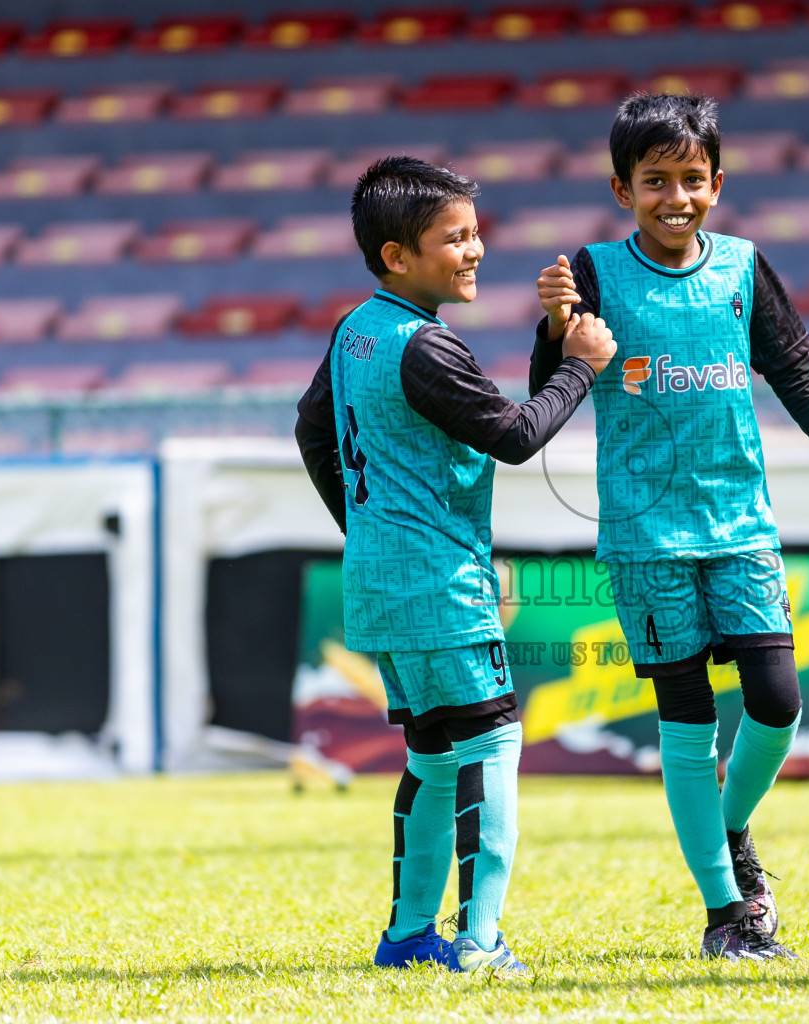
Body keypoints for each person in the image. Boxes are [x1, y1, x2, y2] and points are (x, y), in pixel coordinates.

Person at [530, 93, 809, 961]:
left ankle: (728, 831)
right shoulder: (592, 271)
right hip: (646, 542)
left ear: (718, 183)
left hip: (740, 527)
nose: (675, 197)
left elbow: (798, 377)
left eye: (692, 179)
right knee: (686, 726)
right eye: (655, 181)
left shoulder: (741, 268)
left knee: (778, 703)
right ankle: (728, 911)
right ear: (623, 189)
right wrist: (553, 323)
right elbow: (552, 378)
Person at [295, 156, 616, 975]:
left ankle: (407, 937)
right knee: (490, 746)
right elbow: (514, 437)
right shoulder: (426, 347)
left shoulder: (354, 328)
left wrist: (367, 527)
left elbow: (310, 429)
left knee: (433, 757)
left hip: (382, 579)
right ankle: (478, 941)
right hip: (441, 582)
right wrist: (581, 363)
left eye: (476, 234)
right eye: (455, 238)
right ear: (398, 255)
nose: (474, 251)